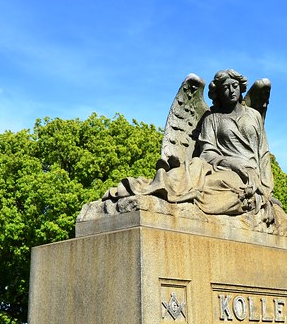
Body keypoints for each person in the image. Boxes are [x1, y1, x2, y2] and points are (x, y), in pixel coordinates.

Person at [104, 69, 276, 221]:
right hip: (221, 166)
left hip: (247, 173)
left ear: (241, 88)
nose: (231, 91)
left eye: (234, 86)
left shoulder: (254, 116)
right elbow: (207, 154)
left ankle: (177, 195)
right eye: (225, 88)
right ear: (219, 92)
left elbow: (263, 154)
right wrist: (231, 163)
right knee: (195, 165)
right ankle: (157, 185)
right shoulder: (211, 119)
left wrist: (265, 188)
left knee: (213, 185)